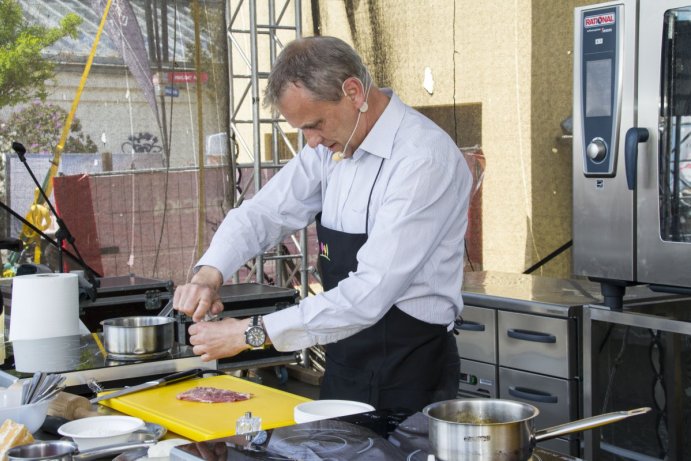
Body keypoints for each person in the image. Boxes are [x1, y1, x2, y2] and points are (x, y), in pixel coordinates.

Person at [174, 35, 473, 412]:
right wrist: (208, 274)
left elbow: (370, 293)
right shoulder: (330, 146)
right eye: (302, 130)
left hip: (410, 372)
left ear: (353, 92)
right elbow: (263, 211)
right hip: (345, 359)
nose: (311, 142)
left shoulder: (421, 159)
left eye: (314, 125)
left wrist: (252, 333)